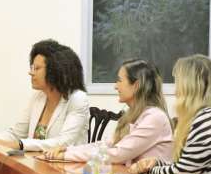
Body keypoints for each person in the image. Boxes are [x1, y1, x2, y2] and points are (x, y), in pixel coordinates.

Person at [44, 59, 173, 164]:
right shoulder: (135, 114)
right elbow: (106, 145)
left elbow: (118, 154)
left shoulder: (155, 117)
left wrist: (66, 156)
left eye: (119, 80)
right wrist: (68, 150)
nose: (115, 86)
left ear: (136, 85)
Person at [0, 39, 89, 151]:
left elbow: (63, 143)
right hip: (36, 160)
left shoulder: (78, 99)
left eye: (37, 68)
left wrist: (20, 145)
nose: (31, 73)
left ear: (55, 70)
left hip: (65, 161)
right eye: (32, 68)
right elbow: (16, 134)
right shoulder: (38, 96)